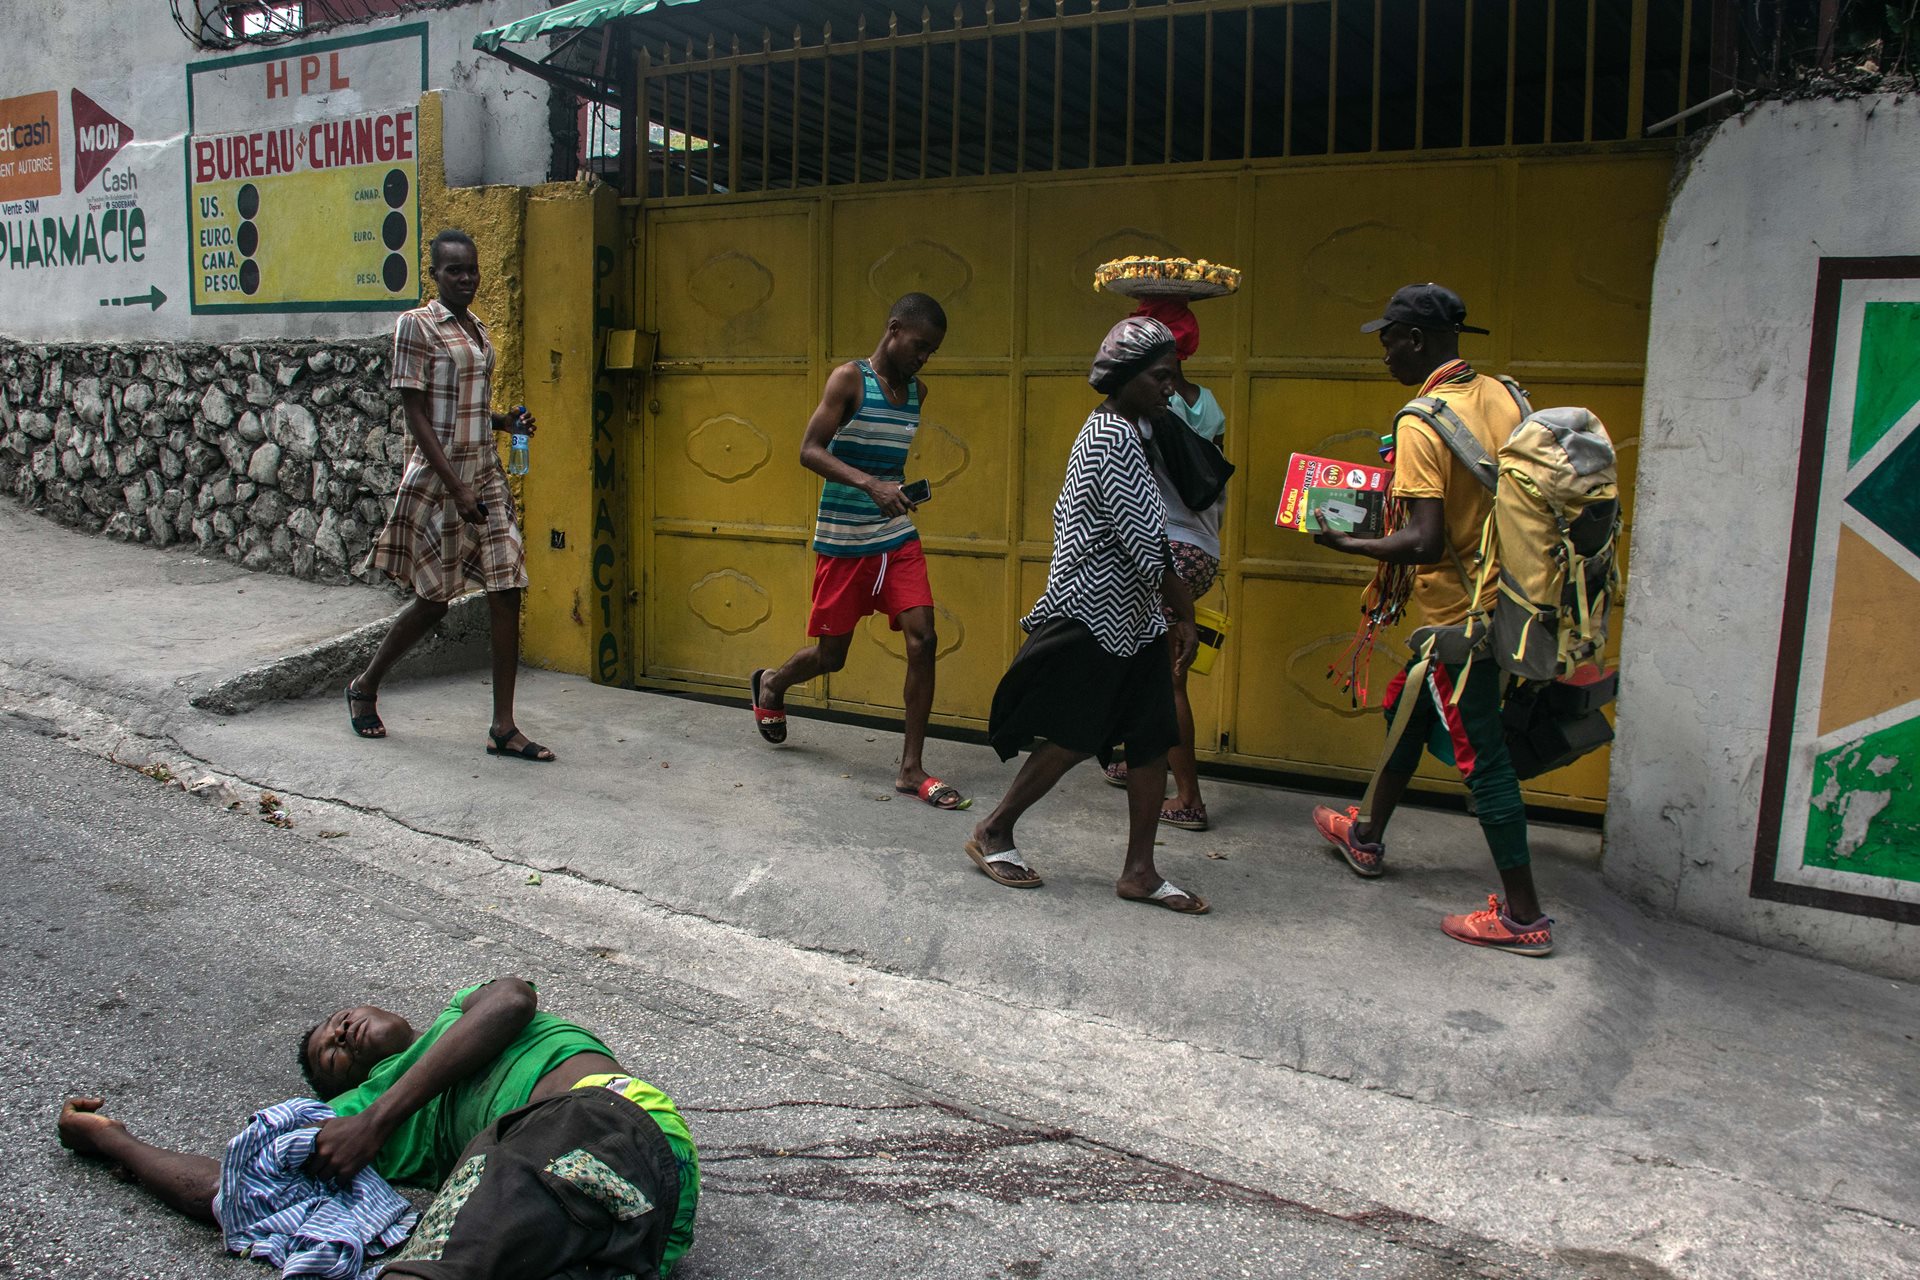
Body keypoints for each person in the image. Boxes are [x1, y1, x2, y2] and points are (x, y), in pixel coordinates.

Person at [55, 976, 700, 1278]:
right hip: (639, 1236)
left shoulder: (462, 1011)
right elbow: (237, 1187)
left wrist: (375, 1120)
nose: (341, 1032)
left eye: (339, 1017)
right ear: (344, 1087)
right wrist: (114, 1142)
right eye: (330, 1053)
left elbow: (513, 1000)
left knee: (469, 1216)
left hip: (612, 1128)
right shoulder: (352, 1119)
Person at [1310, 283, 1554, 957]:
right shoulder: (1504, 393)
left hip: (1460, 617)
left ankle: (1523, 914)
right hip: (1513, 598)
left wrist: (1346, 542)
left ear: (1414, 341)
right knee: (1408, 706)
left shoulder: (1422, 420)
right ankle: (1365, 836)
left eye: (1387, 339)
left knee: (1482, 758)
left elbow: (1422, 539)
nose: (1384, 352)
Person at [966, 315, 1205, 913]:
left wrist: (1166, 611)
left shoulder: (1135, 430)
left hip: (1134, 616)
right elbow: (1147, 542)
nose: (1169, 389)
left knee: (1151, 738)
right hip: (1094, 614)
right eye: (1159, 377)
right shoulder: (1110, 438)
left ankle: (1140, 872)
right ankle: (994, 830)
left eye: (1172, 378)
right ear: (1122, 377)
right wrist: (1186, 613)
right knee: (1074, 735)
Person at [749, 293, 968, 809]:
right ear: (894, 329)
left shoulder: (918, 391)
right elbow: (808, 451)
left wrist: (892, 490)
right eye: (920, 346)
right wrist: (870, 484)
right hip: (843, 540)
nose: (924, 358)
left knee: (924, 638)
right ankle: (773, 684)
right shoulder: (849, 380)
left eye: (932, 351)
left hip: (894, 538)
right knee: (832, 657)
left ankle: (911, 768)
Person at [348, 227, 553, 763]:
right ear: (433, 273)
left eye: (472, 269)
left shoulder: (478, 329)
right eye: (454, 270)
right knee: (434, 603)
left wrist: (506, 421)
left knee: (508, 586)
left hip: (483, 472)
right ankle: (365, 685)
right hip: (442, 480)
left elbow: (462, 407)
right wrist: (455, 486)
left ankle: (503, 727)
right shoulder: (415, 326)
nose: (466, 278)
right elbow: (416, 413)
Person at [1101, 297, 1229, 833]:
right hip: (1203, 547)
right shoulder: (1210, 403)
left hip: (1169, 549)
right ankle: (1142, 757)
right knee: (1147, 661)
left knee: (1166, 675)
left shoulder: (1151, 404)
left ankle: (1188, 797)